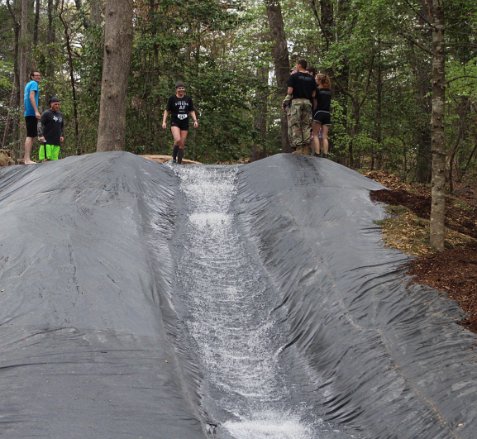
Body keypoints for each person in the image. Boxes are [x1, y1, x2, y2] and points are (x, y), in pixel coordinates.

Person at [282, 59, 316, 155]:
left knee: (296, 124)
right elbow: (313, 94)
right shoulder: (311, 78)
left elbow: (290, 91)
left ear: (299, 65)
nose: (296, 66)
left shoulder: (294, 76)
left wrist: (285, 102)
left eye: (296, 65)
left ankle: (299, 147)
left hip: (297, 102)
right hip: (307, 102)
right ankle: (306, 148)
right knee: (306, 125)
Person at [162, 82, 199, 164]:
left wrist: (195, 120)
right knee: (178, 139)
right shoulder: (172, 99)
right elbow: (167, 110)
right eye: (179, 88)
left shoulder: (188, 99)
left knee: (181, 144)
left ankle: (179, 163)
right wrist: (164, 122)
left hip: (184, 122)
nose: (181, 90)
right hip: (175, 121)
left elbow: (191, 110)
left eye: (182, 88)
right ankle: (173, 159)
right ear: (176, 90)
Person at [23, 71, 42, 164]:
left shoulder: (28, 84)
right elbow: (31, 97)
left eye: (39, 75)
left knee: (31, 135)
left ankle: (26, 158)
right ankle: (27, 159)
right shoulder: (34, 83)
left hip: (28, 112)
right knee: (30, 136)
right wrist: (36, 111)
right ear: (32, 77)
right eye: (36, 75)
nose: (38, 77)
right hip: (31, 113)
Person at [312, 73, 332, 157]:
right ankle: (325, 154)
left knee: (315, 134)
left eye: (316, 79)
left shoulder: (317, 90)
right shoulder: (329, 91)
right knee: (325, 136)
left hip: (319, 113)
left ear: (320, 81)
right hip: (327, 114)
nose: (315, 80)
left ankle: (317, 152)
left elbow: (315, 102)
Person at [38, 97, 64, 161]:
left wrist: (61, 135)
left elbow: (61, 126)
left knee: (55, 161)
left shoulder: (60, 114)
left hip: (57, 142)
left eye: (58, 104)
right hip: (47, 142)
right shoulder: (46, 113)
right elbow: (39, 124)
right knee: (46, 160)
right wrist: (40, 135)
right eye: (55, 104)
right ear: (51, 104)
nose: (57, 106)